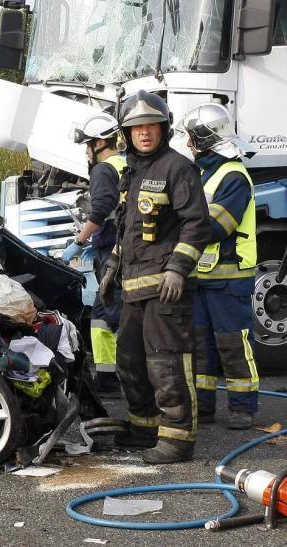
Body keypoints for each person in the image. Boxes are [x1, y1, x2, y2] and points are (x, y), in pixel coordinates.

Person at [99, 91, 210, 464]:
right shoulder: (132, 171)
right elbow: (128, 230)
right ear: (126, 134)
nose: (144, 133)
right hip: (134, 286)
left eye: (150, 126)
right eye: (136, 128)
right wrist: (112, 268)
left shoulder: (178, 168)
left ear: (163, 129)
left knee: (167, 363)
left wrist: (178, 268)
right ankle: (144, 428)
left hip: (165, 287)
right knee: (130, 361)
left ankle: (178, 440)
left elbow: (196, 224)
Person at [176, 103, 259, 430]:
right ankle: (204, 407)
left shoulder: (233, 175)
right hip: (199, 277)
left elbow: (217, 226)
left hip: (229, 278)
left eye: (190, 139)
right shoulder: (199, 173)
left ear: (204, 139)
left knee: (233, 344)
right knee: (200, 348)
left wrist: (178, 227)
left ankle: (242, 407)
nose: (186, 145)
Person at [62, 112, 126, 397]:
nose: (86, 152)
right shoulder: (128, 164)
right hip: (124, 249)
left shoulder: (103, 170)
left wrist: (79, 240)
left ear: (101, 143)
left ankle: (120, 383)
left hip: (111, 254)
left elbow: (100, 210)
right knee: (110, 315)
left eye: (88, 145)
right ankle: (115, 380)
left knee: (109, 316)